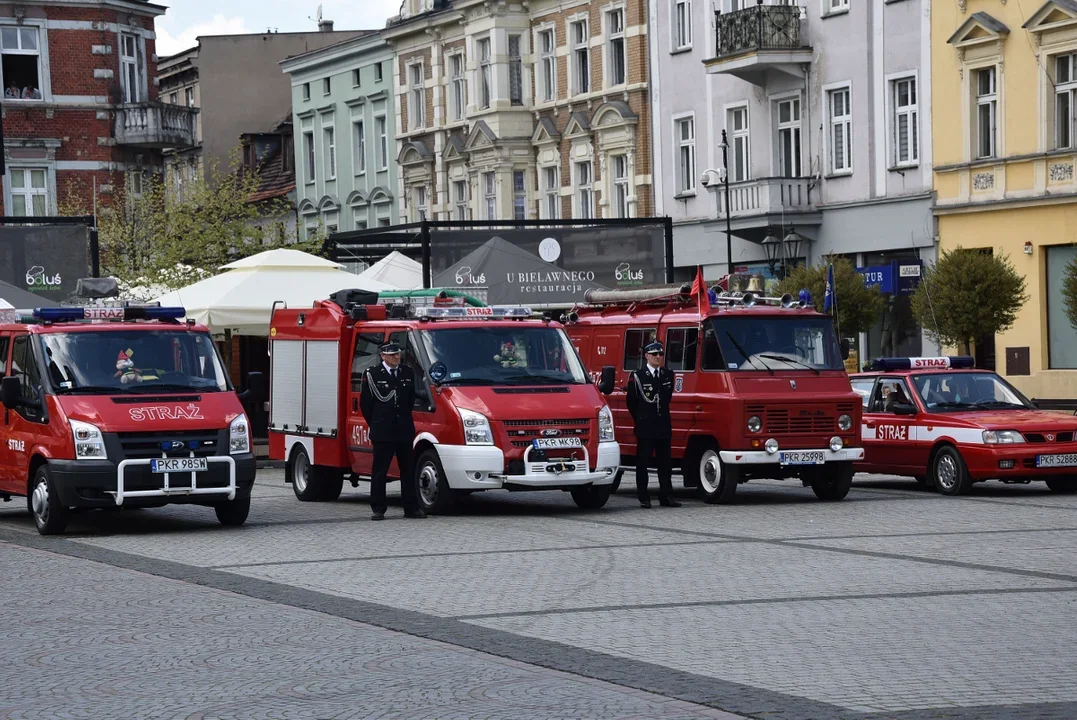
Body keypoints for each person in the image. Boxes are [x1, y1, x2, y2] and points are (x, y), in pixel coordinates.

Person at [359, 342, 426, 521]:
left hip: (403, 429)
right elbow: (366, 405)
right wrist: (377, 423)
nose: (397, 357)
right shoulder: (372, 374)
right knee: (380, 470)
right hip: (383, 430)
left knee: (407, 469)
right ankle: (378, 508)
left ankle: (411, 507)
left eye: (397, 354)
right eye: (392, 355)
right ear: (383, 356)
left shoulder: (407, 372)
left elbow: (410, 399)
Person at [625, 341, 681, 509]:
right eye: (655, 354)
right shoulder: (637, 375)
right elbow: (631, 402)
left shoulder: (668, 374)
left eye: (661, 354)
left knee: (665, 464)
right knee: (643, 463)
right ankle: (644, 497)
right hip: (645, 426)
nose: (658, 357)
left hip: (663, 424)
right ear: (647, 356)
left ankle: (666, 496)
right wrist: (641, 419)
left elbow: (667, 399)